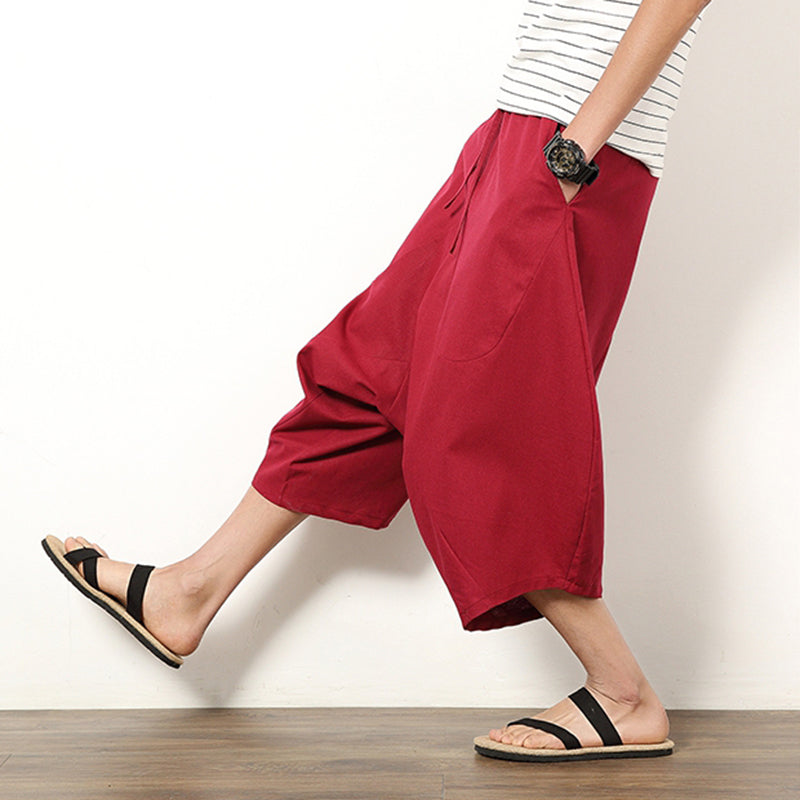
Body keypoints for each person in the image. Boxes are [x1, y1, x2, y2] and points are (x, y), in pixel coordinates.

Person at [42, 0, 712, 763]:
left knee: (480, 423)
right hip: (516, 134)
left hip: (573, 151)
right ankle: (190, 590)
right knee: (370, 369)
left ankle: (623, 692)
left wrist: (572, 151)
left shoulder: (570, 153)